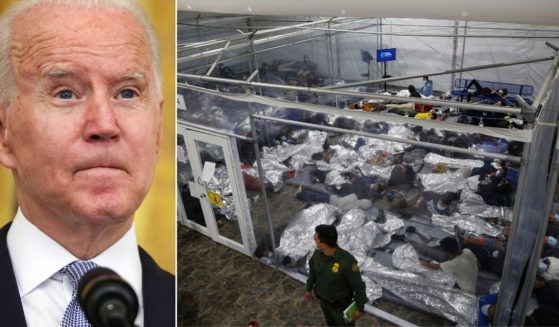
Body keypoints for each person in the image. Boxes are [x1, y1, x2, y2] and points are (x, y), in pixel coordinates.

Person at [0, 1, 174, 326]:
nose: (105, 125)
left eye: (127, 93)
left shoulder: (176, 303)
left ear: (158, 131)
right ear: (4, 132)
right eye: (65, 94)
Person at [305, 225, 368, 326]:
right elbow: (313, 273)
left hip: (341, 308)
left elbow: (359, 287)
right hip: (324, 303)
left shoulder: (347, 262)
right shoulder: (317, 255)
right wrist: (308, 288)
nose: (313, 238)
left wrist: (360, 308)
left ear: (323, 244)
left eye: (316, 237)